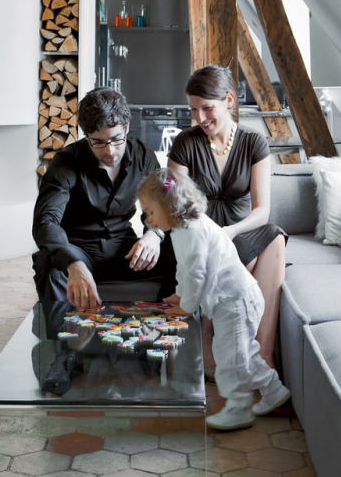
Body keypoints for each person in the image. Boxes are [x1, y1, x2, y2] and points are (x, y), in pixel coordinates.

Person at [138, 168, 291, 430]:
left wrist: (186, 307)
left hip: (236, 301)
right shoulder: (180, 230)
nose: (148, 219)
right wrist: (180, 294)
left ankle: (238, 409)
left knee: (231, 360)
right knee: (243, 354)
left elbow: (197, 274)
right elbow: (184, 268)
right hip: (228, 302)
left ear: (170, 206)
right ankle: (275, 391)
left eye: (151, 212)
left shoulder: (194, 230)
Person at [167, 65, 286, 369]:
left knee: (274, 236)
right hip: (200, 240)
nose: (200, 117)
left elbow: (261, 211)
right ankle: (209, 343)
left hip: (239, 236)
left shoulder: (254, 141)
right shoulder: (185, 143)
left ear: (229, 100)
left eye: (207, 108)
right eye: (193, 109)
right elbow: (176, 207)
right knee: (216, 256)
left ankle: (263, 354)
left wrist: (230, 232)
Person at [32, 87, 175, 310]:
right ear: (86, 135)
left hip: (124, 249)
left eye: (117, 139)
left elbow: (162, 204)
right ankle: (60, 332)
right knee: (49, 266)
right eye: (98, 142)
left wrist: (154, 235)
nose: (110, 151)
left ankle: (164, 324)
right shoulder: (66, 161)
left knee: (179, 250)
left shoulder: (143, 155)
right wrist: (73, 263)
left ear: (126, 127)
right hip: (78, 248)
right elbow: (45, 222)